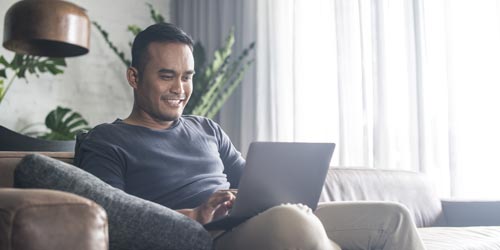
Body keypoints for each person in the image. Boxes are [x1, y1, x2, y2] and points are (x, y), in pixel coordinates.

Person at [76, 22, 426, 250]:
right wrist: (195, 215)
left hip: (253, 224)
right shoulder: (106, 141)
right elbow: (111, 221)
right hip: (202, 237)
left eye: (187, 76)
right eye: (167, 76)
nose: (180, 89)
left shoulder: (206, 129)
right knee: (294, 223)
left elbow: (257, 187)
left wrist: (283, 193)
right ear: (134, 77)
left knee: (391, 217)